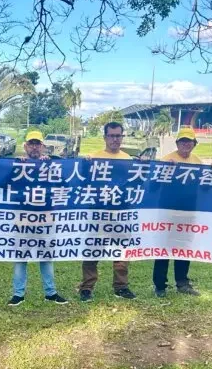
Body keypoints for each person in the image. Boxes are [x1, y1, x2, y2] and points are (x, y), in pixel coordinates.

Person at [7, 130, 68, 306]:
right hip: (23, 217)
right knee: (21, 257)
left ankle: (51, 293)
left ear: (42, 146)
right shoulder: (17, 164)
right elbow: (3, 185)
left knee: (46, 256)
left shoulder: (51, 164)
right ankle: (18, 294)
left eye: (37, 143)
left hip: (46, 217)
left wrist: (49, 166)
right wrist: (17, 167)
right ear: (25, 146)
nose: (34, 147)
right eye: (31, 143)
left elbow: (65, 183)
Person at [78, 121, 136, 302]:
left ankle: (121, 286)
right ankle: (87, 287)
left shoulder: (128, 160)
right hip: (98, 212)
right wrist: (85, 165)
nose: (115, 139)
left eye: (118, 136)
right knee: (92, 250)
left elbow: (136, 185)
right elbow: (81, 181)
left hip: (121, 212)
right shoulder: (93, 158)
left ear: (122, 137)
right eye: (111, 136)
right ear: (105, 137)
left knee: (121, 251)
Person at [153, 127, 202, 298]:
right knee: (163, 248)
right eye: (182, 141)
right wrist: (167, 169)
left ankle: (182, 283)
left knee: (183, 248)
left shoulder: (197, 162)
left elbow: (205, 185)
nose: (186, 144)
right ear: (177, 143)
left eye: (189, 141)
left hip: (188, 211)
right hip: (167, 211)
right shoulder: (166, 160)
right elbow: (154, 185)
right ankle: (160, 285)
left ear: (194, 144)